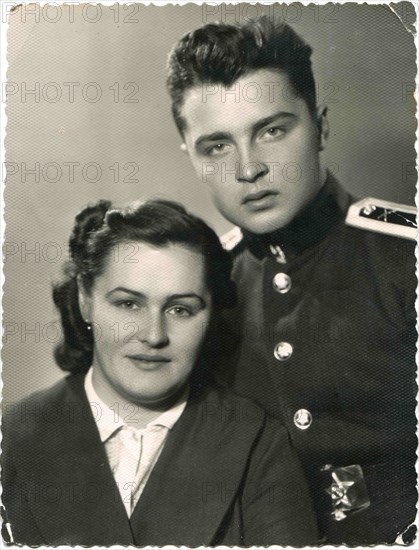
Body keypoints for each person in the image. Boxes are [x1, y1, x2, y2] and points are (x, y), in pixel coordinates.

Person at [166, 16, 417, 545]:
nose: (249, 168)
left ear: (320, 126)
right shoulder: (203, 288)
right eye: (217, 147)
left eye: (273, 130)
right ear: (191, 157)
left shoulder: (405, 258)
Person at [1, 198, 318, 546]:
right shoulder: (14, 438)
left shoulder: (257, 442)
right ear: (85, 300)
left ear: (211, 314)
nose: (154, 335)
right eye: (127, 304)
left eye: (180, 309)